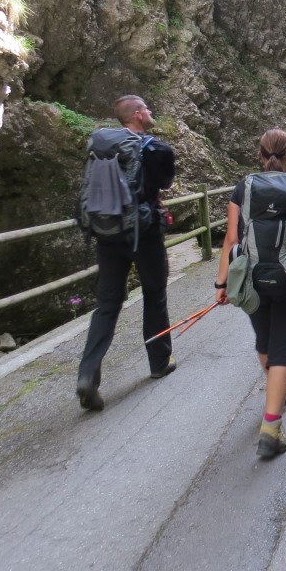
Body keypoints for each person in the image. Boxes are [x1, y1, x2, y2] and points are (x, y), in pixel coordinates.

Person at [215, 129, 286, 458]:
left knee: (264, 341)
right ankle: (271, 429)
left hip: (251, 280)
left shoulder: (243, 188)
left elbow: (231, 240)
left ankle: (276, 389)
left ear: (260, 155)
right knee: (282, 350)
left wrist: (222, 284)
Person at [76, 95, 177, 411]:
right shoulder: (156, 149)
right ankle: (159, 361)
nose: (150, 111)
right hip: (144, 234)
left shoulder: (102, 147)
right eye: (146, 108)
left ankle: (88, 374)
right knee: (154, 295)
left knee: (107, 305)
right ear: (137, 114)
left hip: (107, 233)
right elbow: (165, 183)